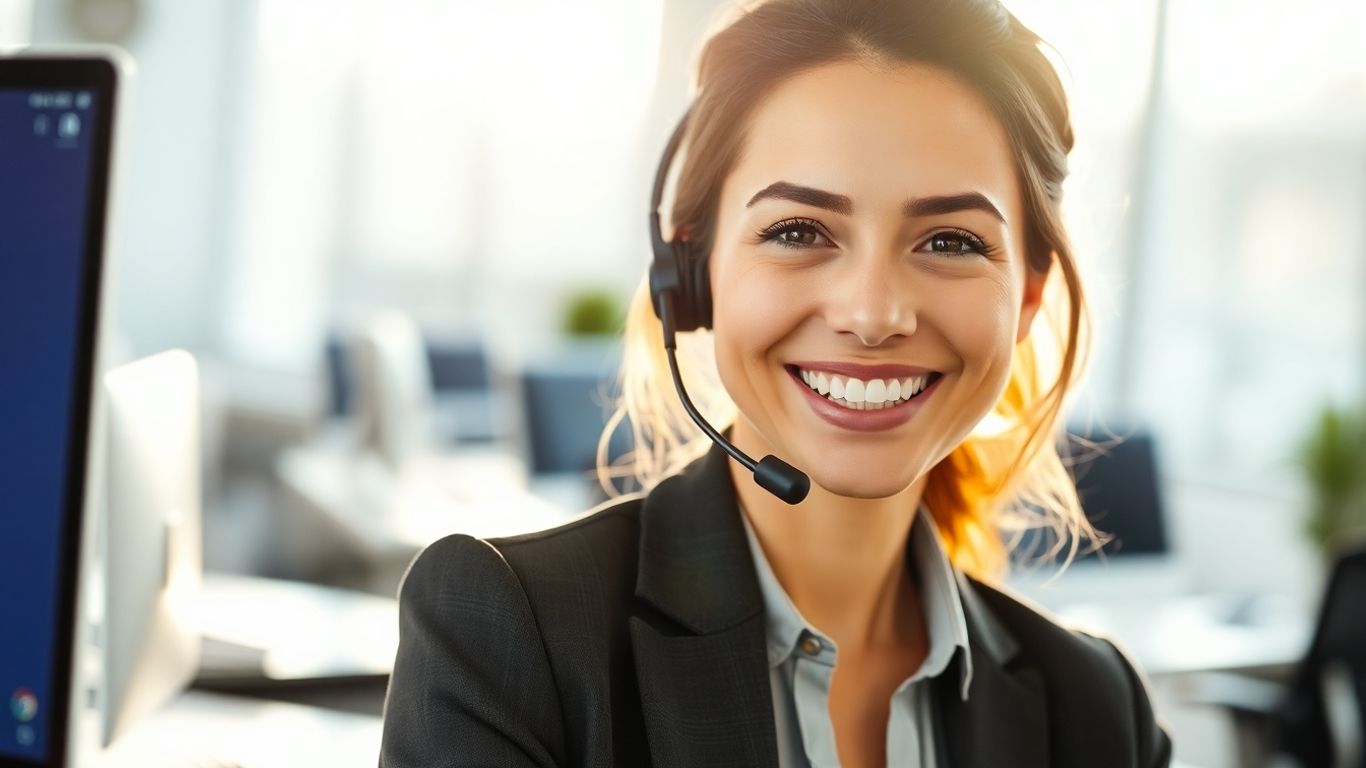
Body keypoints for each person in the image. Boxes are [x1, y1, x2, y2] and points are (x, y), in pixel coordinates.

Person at [379, 0, 1173, 765]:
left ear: (1029, 295)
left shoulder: (1096, 711)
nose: (872, 313)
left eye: (950, 240)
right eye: (799, 231)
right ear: (693, 274)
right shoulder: (514, 633)